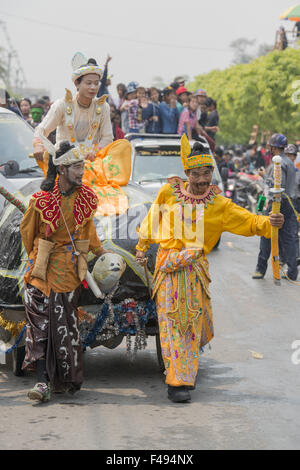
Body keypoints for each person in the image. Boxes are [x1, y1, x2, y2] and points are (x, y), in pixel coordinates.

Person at [135, 135, 284, 403]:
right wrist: (142, 247)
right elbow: (152, 217)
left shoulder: (218, 203)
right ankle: (177, 382)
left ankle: (184, 375)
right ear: (187, 173)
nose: (203, 180)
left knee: (190, 323)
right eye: (197, 174)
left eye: (207, 173)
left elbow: (248, 221)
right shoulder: (169, 192)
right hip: (168, 268)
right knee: (171, 324)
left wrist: (269, 222)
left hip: (195, 273)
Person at [20, 141, 108, 403]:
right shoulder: (40, 201)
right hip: (41, 270)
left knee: (66, 327)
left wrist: (101, 254)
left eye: (82, 166)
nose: (82, 171)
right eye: (77, 167)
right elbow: (28, 233)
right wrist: (39, 254)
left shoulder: (85, 198)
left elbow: (89, 234)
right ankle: (42, 382)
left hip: (69, 271)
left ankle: (66, 379)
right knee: (39, 328)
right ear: (62, 169)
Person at [32, 53, 131, 216]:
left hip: (93, 160)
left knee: (124, 145)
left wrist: (96, 149)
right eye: (88, 83)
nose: (93, 88)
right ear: (77, 84)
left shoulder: (103, 107)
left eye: (96, 83)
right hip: (66, 160)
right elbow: (42, 130)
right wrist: (38, 144)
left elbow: (108, 138)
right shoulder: (62, 104)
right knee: (51, 157)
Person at [253, 134, 298, 281]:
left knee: (266, 234)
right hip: (290, 204)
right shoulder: (290, 163)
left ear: (273, 146)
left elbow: (277, 186)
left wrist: (272, 205)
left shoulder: (276, 163)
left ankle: (260, 269)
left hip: (277, 204)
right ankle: (291, 272)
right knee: (289, 238)